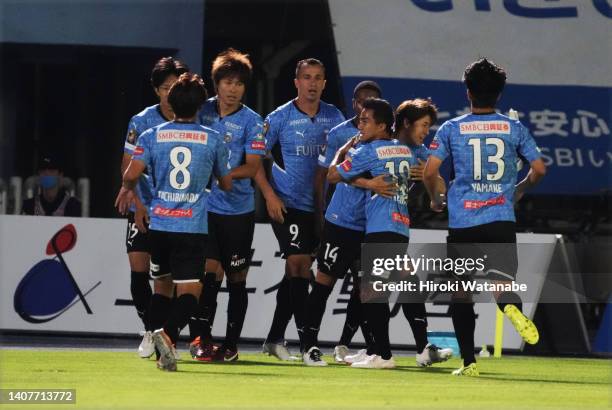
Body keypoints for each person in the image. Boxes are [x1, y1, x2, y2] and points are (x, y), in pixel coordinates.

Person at [424, 58, 546, 376]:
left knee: (461, 293)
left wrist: (436, 196)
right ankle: (511, 309)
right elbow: (540, 168)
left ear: (468, 92)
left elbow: (431, 170)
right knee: (501, 285)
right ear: (499, 94)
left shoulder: (453, 128)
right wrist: (518, 190)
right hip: (501, 218)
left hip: (464, 222)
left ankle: (469, 363)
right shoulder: (513, 127)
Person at [115, 73, 232, 371]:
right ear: (199, 106)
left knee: (162, 287)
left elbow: (130, 175)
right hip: (190, 226)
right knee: (191, 293)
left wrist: (139, 189)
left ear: (172, 101)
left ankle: (159, 354)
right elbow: (227, 182)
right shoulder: (213, 139)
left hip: (159, 224)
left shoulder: (151, 136)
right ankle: (167, 335)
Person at [255, 58, 345, 360]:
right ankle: (309, 344)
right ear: (296, 82)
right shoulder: (280, 117)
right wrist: (269, 195)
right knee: (299, 265)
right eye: (306, 77)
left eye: (318, 78)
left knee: (295, 273)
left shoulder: (334, 117)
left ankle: (274, 339)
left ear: (324, 83)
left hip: (320, 208)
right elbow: (256, 159)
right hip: (287, 203)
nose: (312, 83)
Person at [327, 97, 416, 369]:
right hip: (400, 227)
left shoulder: (368, 151)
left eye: (366, 121)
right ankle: (375, 350)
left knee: (373, 294)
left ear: (382, 125)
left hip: (379, 227)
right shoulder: (404, 150)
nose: (360, 125)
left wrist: (343, 150)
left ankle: (384, 356)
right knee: (374, 292)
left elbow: (331, 174)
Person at [190, 48, 265, 362]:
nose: (233, 89)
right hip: (204, 210)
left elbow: (253, 166)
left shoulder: (253, 121)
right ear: (216, 83)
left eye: (239, 83)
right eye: (227, 82)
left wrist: (224, 175)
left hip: (238, 212)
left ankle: (231, 345)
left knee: (237, 280)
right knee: (207, 277)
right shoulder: (201, 111)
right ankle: (203, 340)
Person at [121, 56, 190, 358]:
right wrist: (137, 205)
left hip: (175, 212)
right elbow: (127, 167)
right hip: (145, 206)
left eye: (176, 86)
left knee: (167, 279)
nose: (171, 93)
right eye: (166, 87)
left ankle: (159, 332)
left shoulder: (193, 119)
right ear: (156, 90)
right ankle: (149, 330)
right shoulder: (142, 121)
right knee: (138, 270)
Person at [315, 80, 383, 363]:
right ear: (354, 103)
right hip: (340, 220)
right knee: (325, 281)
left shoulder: (386, 141)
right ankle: (310, 341)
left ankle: (349, 344)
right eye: (361, 100)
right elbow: (325, 175)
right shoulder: (339, 134)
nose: (365, 105)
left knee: (363, 287)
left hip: (369, 224)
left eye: (372, 100)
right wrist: (320, 214)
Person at [392, 98, 453, 367]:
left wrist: (429, 178)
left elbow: (440, 187)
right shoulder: (384, 146)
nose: (426, 132)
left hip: (394, 226)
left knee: (403, 283)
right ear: (406, 123)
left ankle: (421, 347)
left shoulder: (420, 152)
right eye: (423, 125)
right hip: (363, 224)